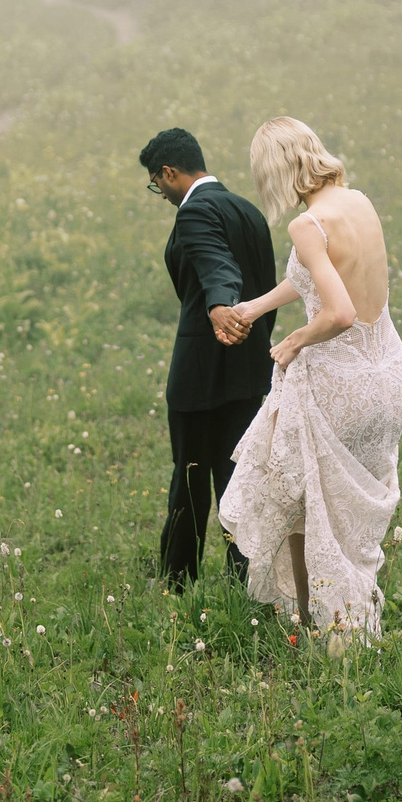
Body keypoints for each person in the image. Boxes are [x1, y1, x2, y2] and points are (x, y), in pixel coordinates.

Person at [217, 117, 402, 639]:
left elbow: (339, 311)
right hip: (386, 377)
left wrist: (294, 341)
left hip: (338, 381)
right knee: (338, 510)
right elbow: (315, 274)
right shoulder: (357, 202)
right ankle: (347, 619)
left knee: (304, 502)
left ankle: (318, 627)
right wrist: (256, 308)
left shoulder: (305, 225)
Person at [139, 127, 280, 589]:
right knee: (241, 478)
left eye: (156, 182)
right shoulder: (248, 210)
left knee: (191, 477)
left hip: (201, 375)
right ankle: (248, 579)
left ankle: (178, 581)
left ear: (168, 172)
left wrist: (222, 308)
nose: (159, 191)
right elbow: (261, 283)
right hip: (250, 369)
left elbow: (217, 265)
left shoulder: (194, 210)